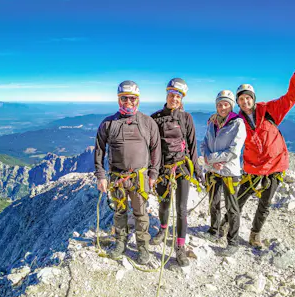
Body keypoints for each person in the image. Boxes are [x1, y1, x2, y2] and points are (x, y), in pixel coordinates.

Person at [233, 58, 295, 248]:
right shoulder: (237, 121)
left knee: (265, 203)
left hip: (275, 165)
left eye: (247, 97)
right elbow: (221, 123)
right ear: (238, 102)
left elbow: (290, 97)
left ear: (253, 98)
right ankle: (228, 225)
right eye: (241, 99)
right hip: (252, 166)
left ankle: (255, 234)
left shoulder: (269, 110)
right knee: (239, 198)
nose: (245, 101)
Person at [94, 80, 161, 264]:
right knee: (119, 212)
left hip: (140, 178)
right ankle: (120, 243)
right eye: (124, 99)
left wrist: (153, 174)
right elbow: (99, 150)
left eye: (132, 99)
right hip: (117, 177)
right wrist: (101, 176)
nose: (128, 102)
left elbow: (156, 150)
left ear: (137, 100)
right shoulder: (108, 124)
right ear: (119, 100)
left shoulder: (147, 123)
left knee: (141, 214)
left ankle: (143, 248)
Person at [150, 78, 204, 267]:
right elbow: (152, 147)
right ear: (167, 95)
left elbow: (192, 145)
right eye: (172, 95)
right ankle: (163, 230)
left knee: (181, 209)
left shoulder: (186, 118)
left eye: (178, 96)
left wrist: (197, 171)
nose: (174, 99)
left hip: (181, 168)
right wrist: (152, 172)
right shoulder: (155, 118)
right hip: (163, 169)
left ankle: (180, 247)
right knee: (164, 205)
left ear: (182, 99)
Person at [201, 90, 246, 256]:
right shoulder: (212, 123)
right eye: (219, 104)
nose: (222, 107)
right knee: (213, 203)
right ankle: (214, 231)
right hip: (213, 170)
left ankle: (233, 242)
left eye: (226, 104)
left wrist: (211, 158)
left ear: (231, 105)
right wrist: (206, 157)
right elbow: (204, 142)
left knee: (232, 207)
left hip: (229, 171)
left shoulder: (238, 123)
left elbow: (234, 150)